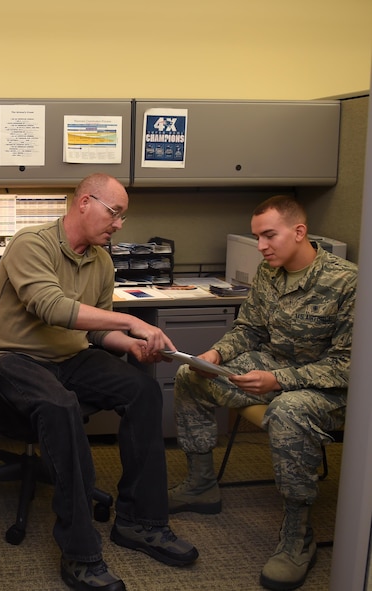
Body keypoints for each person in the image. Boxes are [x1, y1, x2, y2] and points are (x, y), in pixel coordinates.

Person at [0, 173, 197, 591]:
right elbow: (52, 307)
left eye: (122, 218)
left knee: (143, 390)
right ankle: (79, 552)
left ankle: (140, 522)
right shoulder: (32, 244)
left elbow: (94, 331)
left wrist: (128, 345)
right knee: (61, 406)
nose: (118, 224)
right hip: (11, 357)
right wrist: (132, 320)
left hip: (70, 356)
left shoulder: (102, 261)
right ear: (83, 203)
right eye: (114, 213)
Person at [168, 195, 356, 591]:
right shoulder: (269, 272)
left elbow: (348, 365)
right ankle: (202, 485)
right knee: (190, 375)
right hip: (270, 368)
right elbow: (250, 330)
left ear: (299, 231)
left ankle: (297, 537)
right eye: (258, 237)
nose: (262, 246)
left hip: (329, 389)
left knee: (288, 410)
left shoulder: (347, 282)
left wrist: (279, 381)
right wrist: (217, 353)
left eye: (269, 235)